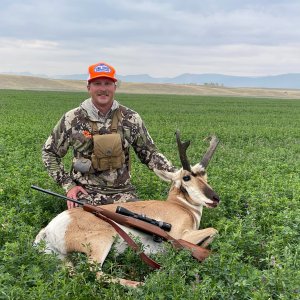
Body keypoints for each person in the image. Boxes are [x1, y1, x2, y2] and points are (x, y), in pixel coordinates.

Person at [42, 61, 175, 209]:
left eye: (107, 83)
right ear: (89, 88)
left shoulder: (131, 118)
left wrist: (177, 175)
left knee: (140, 227)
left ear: (114, 87)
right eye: (97, 83)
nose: (103, 89)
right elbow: (49, 152)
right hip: (85, 193)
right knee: (86, 229)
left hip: (123, 193)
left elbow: (150, 154)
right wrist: (69, 185)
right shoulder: (72, 119)